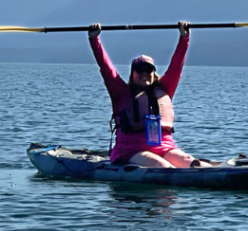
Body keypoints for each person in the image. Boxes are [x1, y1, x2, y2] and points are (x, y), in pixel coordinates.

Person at [88, 21, 210, 168]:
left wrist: (184, 38)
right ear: (133, 73)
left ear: (154, 73)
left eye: (149, 71)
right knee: (163, 166)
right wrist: (94, 40)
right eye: (140, 70)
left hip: (165, 147)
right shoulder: (120, 92)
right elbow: (106, 68)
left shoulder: (165, 89)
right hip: (130, 150)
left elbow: (176, 67)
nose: (145, 74)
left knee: (192, 162)